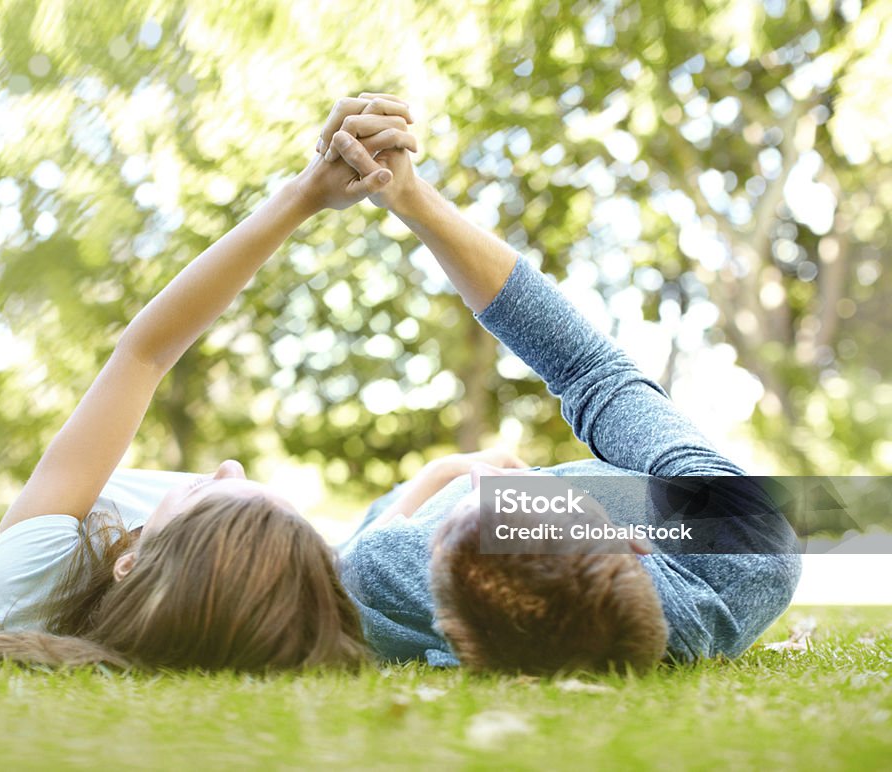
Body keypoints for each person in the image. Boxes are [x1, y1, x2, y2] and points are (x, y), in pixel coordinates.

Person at [0, 96, 421, 672]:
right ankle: (518, 497)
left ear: (130, 562)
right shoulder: (284, 580)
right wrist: (437, 475)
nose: (230, 467)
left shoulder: (32, 581)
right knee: (491, 496)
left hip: (386, 544)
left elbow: (145, 353)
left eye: (203, 491)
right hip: (384, 534)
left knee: (498, 504)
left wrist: (304, 196)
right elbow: (356, 558)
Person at [324, 99, 802, 674]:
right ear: (634, 541)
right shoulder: (742, 538)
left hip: (368, 525)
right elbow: (588, 368)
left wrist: (437, 480)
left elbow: (328, 584)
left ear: (451, 639)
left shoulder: (382, 572)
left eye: (470, 510)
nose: (498, 481)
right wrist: (409, 197)